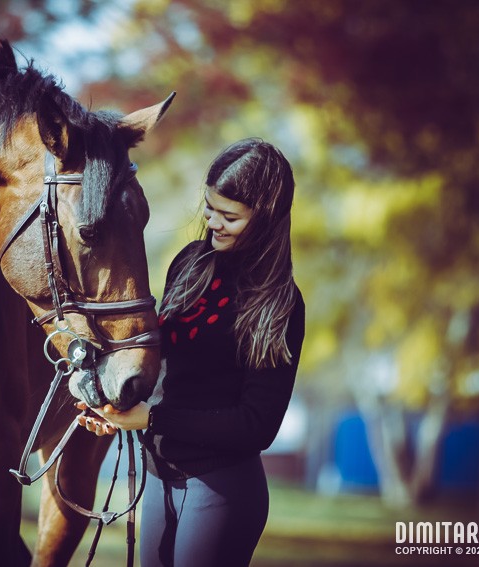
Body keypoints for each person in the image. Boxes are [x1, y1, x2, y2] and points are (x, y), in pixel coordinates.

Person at [76, 138, 305, 567]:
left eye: (230, 216)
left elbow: (257, 427)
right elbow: (164, 366)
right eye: (210, 207)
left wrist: (155, 418)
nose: (213, 222)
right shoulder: (191, 262)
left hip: (222, 491)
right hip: (160, 479)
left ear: (267, 218)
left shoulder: (281, 305)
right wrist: (118, 406)